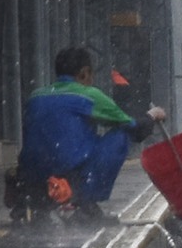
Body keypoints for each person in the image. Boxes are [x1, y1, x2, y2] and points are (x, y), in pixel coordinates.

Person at [16, 45, 152, 218]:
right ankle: (84, 200)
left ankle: (36, 198)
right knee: (121, 133)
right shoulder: (88, 95)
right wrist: (151, 118)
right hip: (70, 174)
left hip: (32, 173)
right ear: (84, 73)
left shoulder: (36, 96)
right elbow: (133, 127)